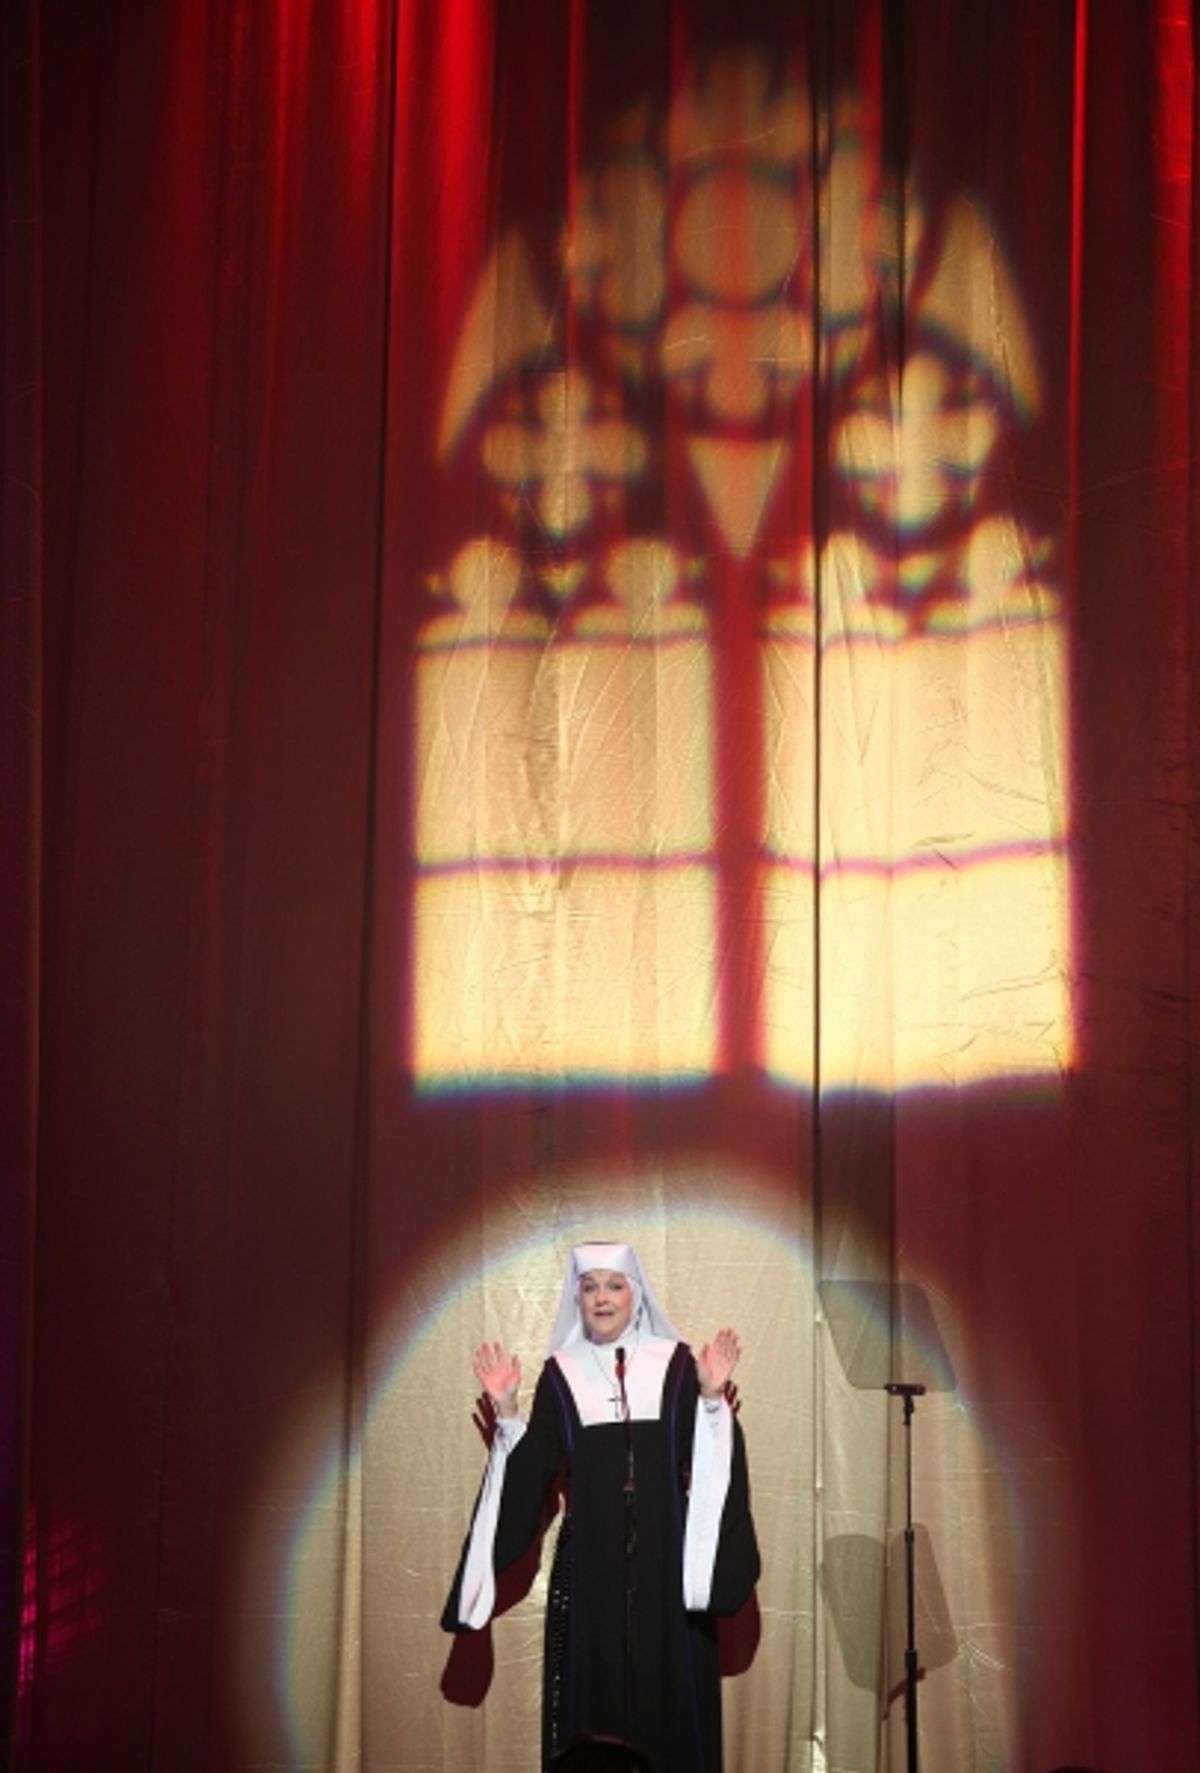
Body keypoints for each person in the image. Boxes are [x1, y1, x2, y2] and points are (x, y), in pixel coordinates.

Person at [443, 1241, 760, 1771]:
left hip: (669, 1569)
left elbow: (711, 1470)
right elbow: (533, 1472)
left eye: (614, 1286)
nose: (602, 1298)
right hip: (591, 1571)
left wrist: (710, 1400)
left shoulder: (676, 1365)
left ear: (635, 1294)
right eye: (590, 1288)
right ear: (578, 1299)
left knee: (672, 1701)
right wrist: (509, 1412)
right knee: (595, 1705)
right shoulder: (561, 1374)